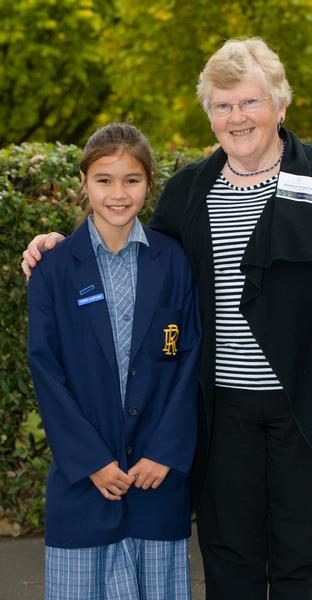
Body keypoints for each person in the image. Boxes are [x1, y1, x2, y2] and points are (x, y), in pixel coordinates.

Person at [22, 39, 312, 600]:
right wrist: (60, 246)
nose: (236, 117)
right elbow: (136, 250)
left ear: (280, 104)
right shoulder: (192, 188)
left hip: (305, 408)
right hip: (220, 412)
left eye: (248, 102)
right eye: (222, 105)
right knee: (229, 560)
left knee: (300, 561)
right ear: (210, 115)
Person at [27, 122, 201, 600]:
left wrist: (165, 451)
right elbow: (45, 369)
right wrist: (93, 461)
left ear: (149, 183)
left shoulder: (173, 263)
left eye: (132, 180)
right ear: (83, 182)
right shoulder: (54, 270)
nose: (118, 193)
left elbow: (189, 361)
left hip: (156, 479)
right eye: (104, 180)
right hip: (84, 481)